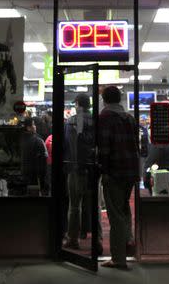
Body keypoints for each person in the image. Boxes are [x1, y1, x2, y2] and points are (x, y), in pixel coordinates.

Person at [98, 86, 139, 270]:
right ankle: (128, 243)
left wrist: (104, 171)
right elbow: (135, 146)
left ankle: (119, 259)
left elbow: (104, 148)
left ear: (104, 100)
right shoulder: (129, 118)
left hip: (114, 172)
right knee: (123, 209)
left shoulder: (105, 118)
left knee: (115, 215)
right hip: (130, 171)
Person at [62, 94, 101, 253]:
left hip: (75, 168)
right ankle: (97, 241)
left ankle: (73, 239)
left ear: (78, 104)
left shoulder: (72, 120)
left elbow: (67, 146)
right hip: (92, 169)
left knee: (74, 206)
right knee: (95, 205)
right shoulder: (96, 120)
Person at [144, 131, 169, 196]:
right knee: (168, 194)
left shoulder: (157, 141)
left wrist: (146, 178)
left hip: (159, 174)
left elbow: (151, 161)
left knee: (158, 196)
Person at [20, 117, 48, 195]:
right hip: (34, 177)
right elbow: (44, 160)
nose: (35, 126)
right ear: (28, 128)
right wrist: (43, 181)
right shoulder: (38, 141)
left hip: (22, 175)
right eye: (33, 124)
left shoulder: (19, 139)